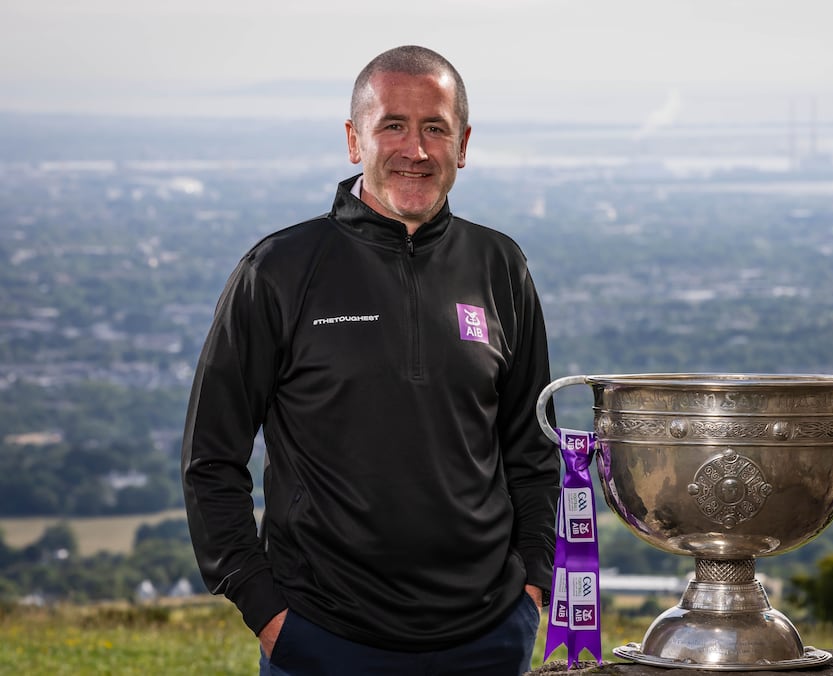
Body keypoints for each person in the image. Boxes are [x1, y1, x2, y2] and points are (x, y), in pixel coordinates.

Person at [180, 45, 560, 675]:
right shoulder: (278, 271)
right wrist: (266, 610)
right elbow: (210, 459)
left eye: (435, 128)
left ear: (462, 145)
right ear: (354, 139)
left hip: (488, 636)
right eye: (393, 126)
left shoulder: (500, 266)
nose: (415, 149)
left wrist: (533, 583)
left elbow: (530, 446)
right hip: (324, 638)